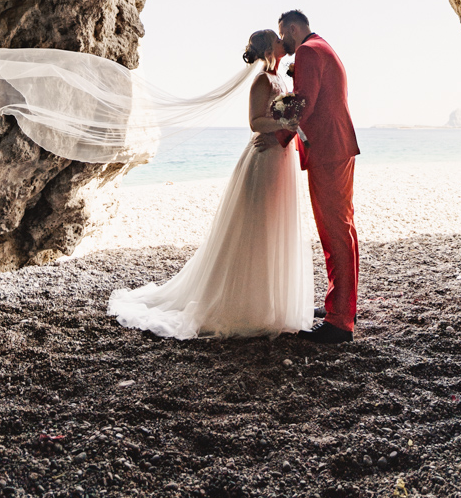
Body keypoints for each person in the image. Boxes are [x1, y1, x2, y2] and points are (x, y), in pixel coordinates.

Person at [106, 29, 313, 339]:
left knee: (276, 224)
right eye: (278, 40)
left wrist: (290, 123)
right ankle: (245, 304)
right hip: (264, 157)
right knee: (258, 227)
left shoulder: (280, 78)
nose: (285, 43)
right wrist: (284, 123)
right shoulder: (261, 81)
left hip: (281, 157)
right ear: (271, 48)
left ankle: (273, 302)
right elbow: (255, 122)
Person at [254, 10, 359, 343]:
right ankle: (341, 306)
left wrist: (278, 137)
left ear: (294, 29)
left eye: (284, 35)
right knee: (342, 228)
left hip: (328, 149)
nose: (283, 42)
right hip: (336, 147)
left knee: (334, 233)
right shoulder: (320, 47)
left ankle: (339, 322)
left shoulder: (310, 51)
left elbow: (305, 103)